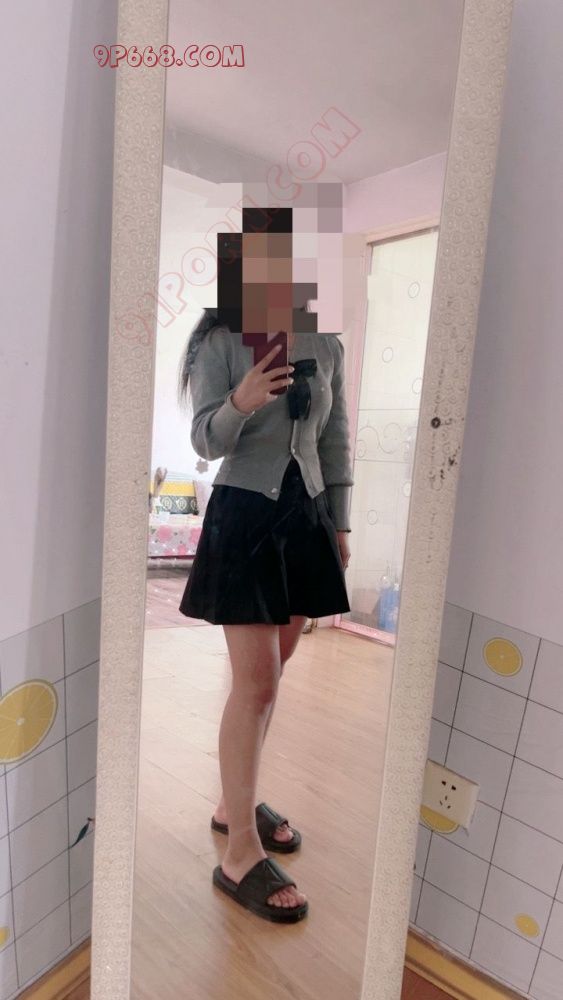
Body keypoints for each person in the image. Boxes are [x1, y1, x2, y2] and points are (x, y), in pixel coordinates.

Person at [177, 225, 353, 924]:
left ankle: (233, 803)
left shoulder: (326, 343)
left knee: (273, 673)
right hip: (245, 518)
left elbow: (334, 438)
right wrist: (242, 400)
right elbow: (202, 439)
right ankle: (240, 853)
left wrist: (339, 523)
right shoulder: (219, 344)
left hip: (306, 519)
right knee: (256, 684)